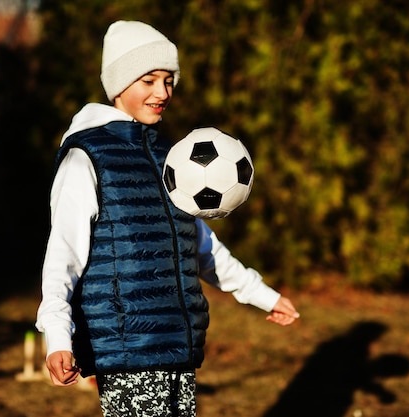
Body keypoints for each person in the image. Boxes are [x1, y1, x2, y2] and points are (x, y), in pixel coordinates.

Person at [35, 20, 299, 417]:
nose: (163, 92)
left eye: (169, 81)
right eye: (149, 80)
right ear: (119, 84)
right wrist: (58, 335)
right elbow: (63, 255)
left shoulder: (172, 157)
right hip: (128, 349)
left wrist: (262, 295)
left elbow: (201, 245)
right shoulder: (86, 156)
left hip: (178, 346)